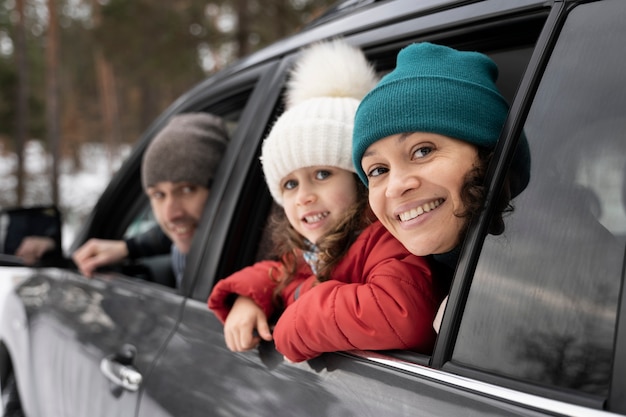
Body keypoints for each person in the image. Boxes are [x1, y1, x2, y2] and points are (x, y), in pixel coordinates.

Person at [208, 39, 444, 363]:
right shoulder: (310, 252)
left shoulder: (383, 240)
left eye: (322, 174)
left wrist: (299, 319)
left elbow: (403, 314)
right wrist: (248, 297)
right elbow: (282, 272)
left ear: (359, 182)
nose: (304, 196)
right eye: (290, 184)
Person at [351, 42, 531, 331]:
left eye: (423, 151)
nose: (396, 186)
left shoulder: (558, 275)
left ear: (491, 159)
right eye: (378, 170)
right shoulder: (381, 263)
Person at [73, 112, 229, 288]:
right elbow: (168, 235)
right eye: (158, 195)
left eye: (187, 190)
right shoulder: (195, 235)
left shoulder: (253, 262)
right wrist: (128, 248)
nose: (170, 214)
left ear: (222, 188)